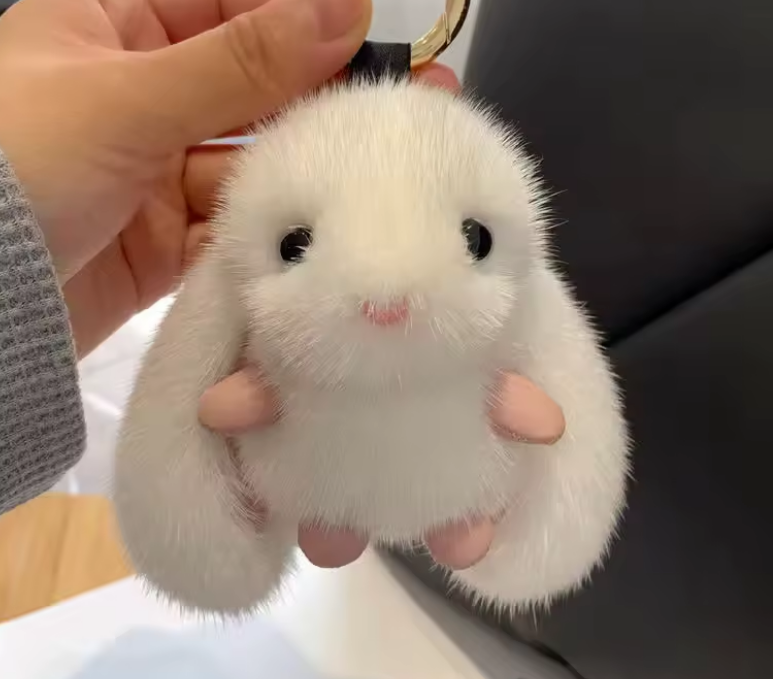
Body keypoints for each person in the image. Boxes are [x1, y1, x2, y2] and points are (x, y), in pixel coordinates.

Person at [0, 0, 565, 572]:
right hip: (329, 479)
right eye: (296, 246)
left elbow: (538, 408)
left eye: (472, 242)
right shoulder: (272, 333)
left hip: (445, 471)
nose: (386, 298)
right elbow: (219, 400)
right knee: (331, 530)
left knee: (453, 528)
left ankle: (448, 525)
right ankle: (351, 524)